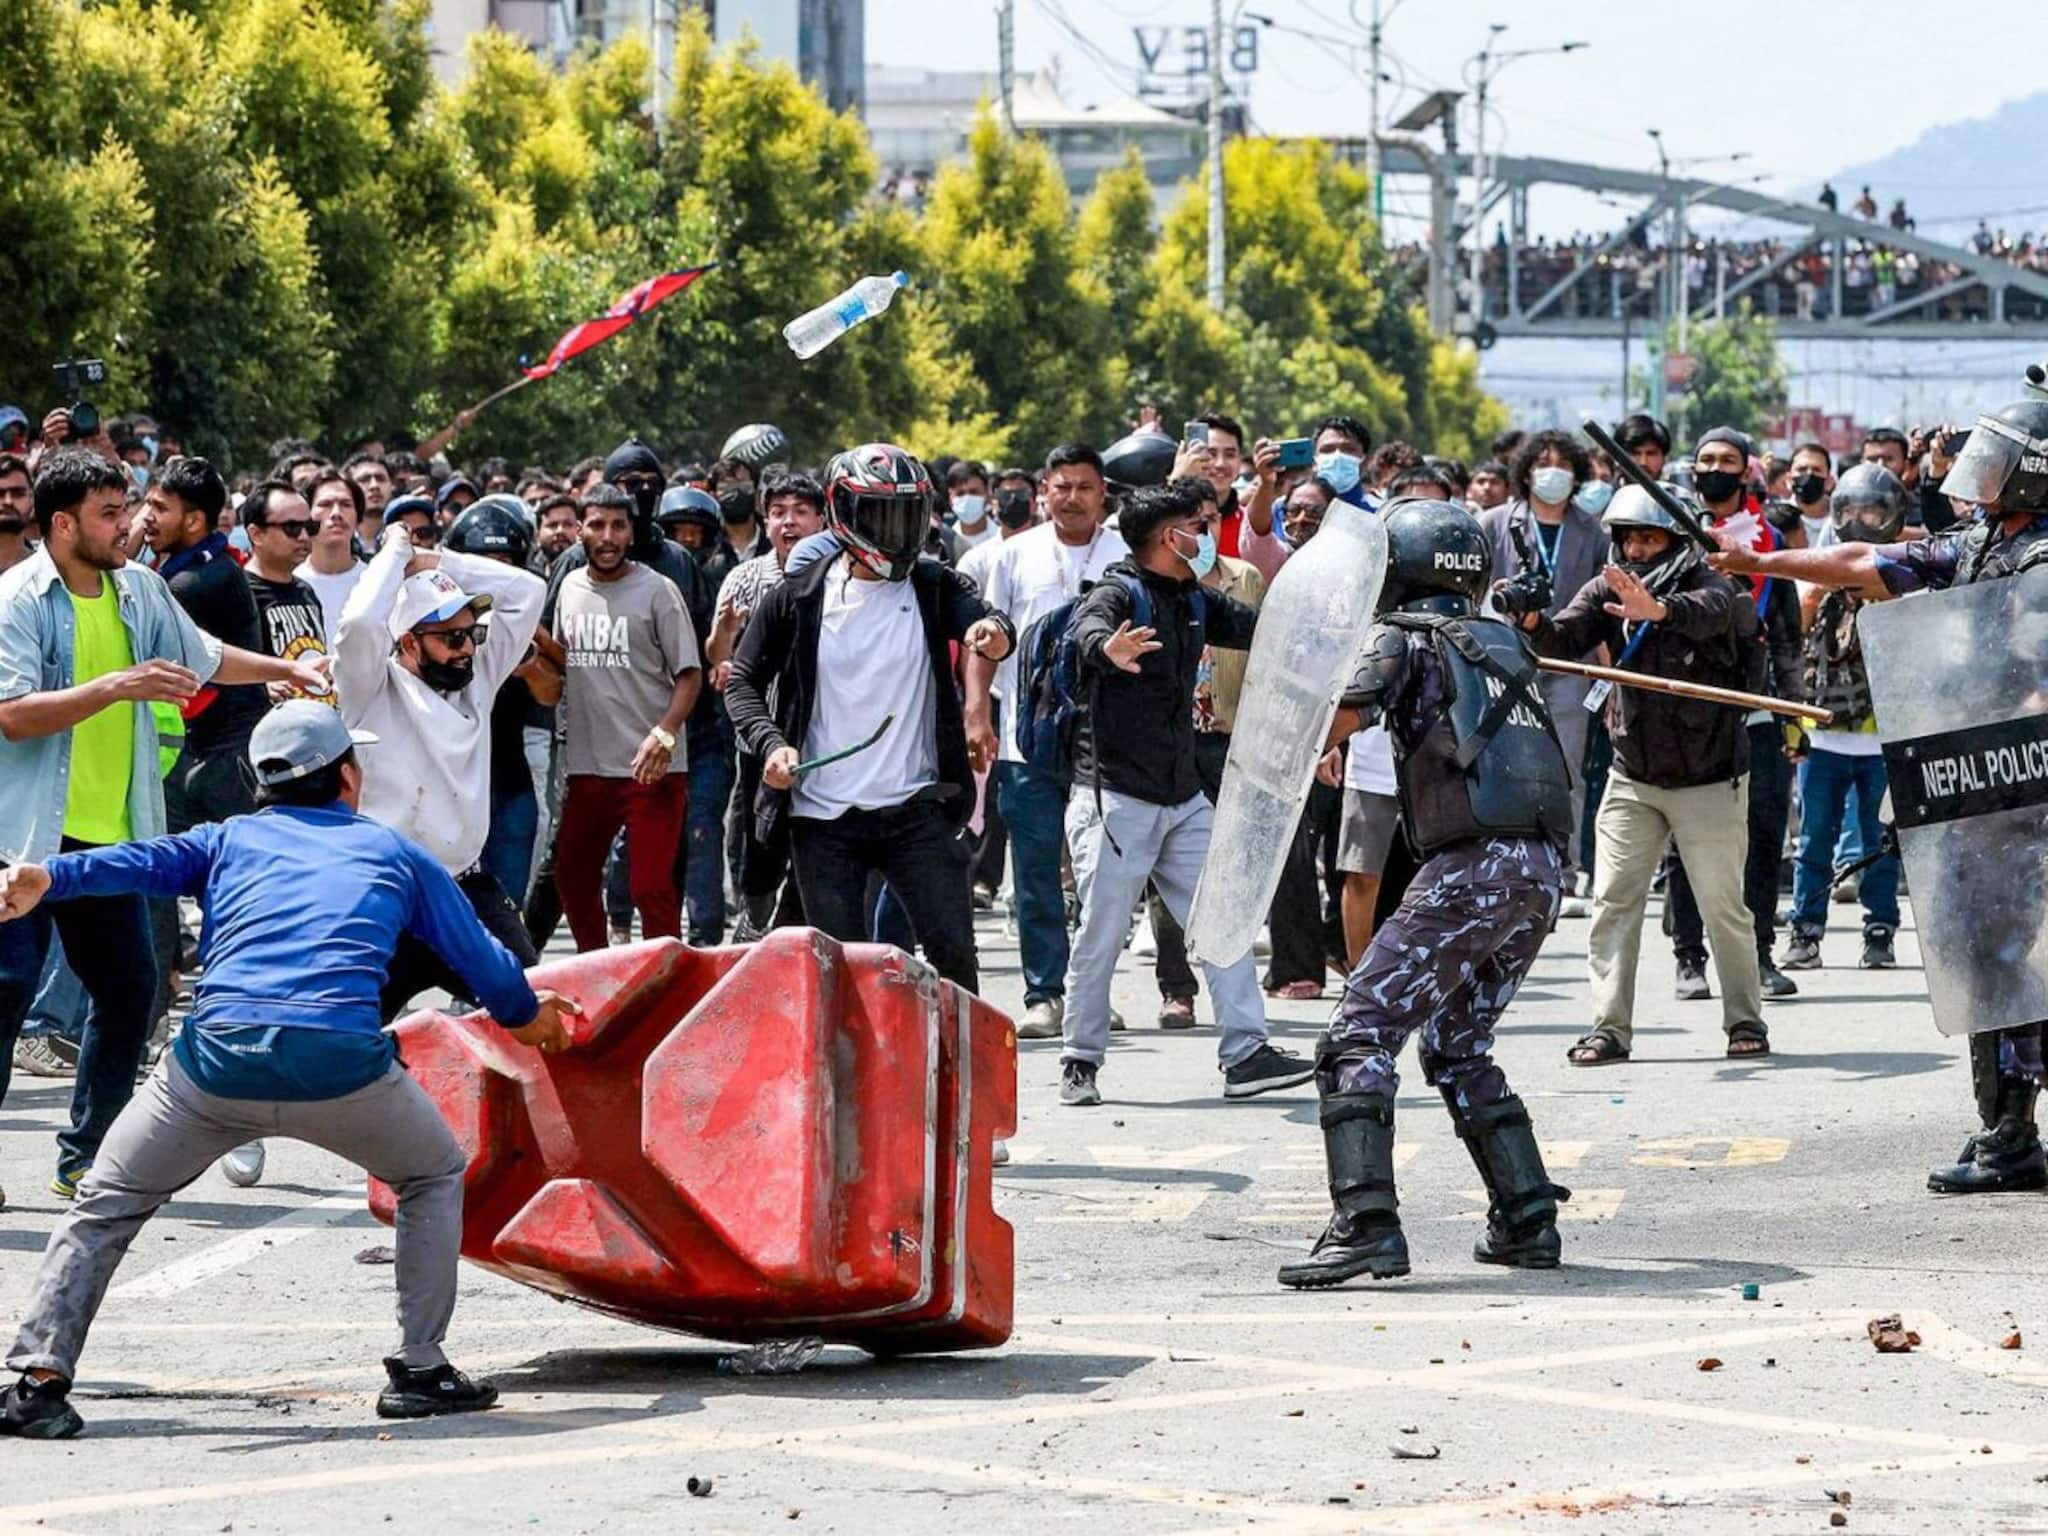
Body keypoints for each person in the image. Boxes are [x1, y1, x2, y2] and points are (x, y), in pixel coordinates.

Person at [0, 701, 579, 1440]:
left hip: (212, 1071)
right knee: (432, 1174)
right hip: (339, 1068)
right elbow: (490, 971)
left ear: (259, 783)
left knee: (106, 1203)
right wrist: (533, 1018)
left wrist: (47, 875)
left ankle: (39, 1382)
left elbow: (135, 861)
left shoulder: (225, 841)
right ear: (348, 776)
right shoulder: (396, 855)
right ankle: (422, 1370)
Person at [1708, 387, 2048, 1193]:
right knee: (1984, 955)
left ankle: (2010, 1133)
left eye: (1998, 464)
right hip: (1981, 784)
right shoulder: (1975, 545)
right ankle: (2008, 1128)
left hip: (2033, 791)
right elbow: (1865, 563)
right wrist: (1758, 562)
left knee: (2018, 959)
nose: (1980, 476)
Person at [0, 450, 327, 1204]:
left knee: (129, 988)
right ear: (62, 523)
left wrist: (287, 672)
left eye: (129, 509)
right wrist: (119, 684)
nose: (130, 526)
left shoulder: (140, 589)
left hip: (109, 839)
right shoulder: (20, 599)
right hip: (22, 839)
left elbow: (206, 658)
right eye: (110, 514)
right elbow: (13, 716)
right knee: (7, 989)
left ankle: (86, 1157)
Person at [1279, 499, 1572, 1287]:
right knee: (1456, 1043)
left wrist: (1275, 736)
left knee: (1355, 1038)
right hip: (1539, 871)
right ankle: (1527, 1217)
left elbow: (1342, 711)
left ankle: (1367, 1224)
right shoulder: (1502, 642)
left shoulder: (1402, 639)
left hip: (1472, 870)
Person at [1056, 480, 1313, 1105]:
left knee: (1223, 921)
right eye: (1197, 526)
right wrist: (1105, 648)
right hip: (1115, 801)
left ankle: (1247, 1052)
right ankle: (1080, 1060)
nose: (1207, 536)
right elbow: (1080, 634)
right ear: (1170, 538)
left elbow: (1261, 627)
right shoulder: (1119, 594)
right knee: (1102, 931)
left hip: (1183, 800)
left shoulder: (1193, 598)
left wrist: (1327, 625)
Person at [725, 444, 1011, 990]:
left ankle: (960, 1073)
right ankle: (852, 1075)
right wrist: (770, 744)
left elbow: (989, 622)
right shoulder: (798, 596)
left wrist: (993, 634)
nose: (897, 531)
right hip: (823, 819)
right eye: (881, 514)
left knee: (953, 953)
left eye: (908, 514)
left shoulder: (933, 585)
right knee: (843, 970)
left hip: (916, 810)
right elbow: (742, 681)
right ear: (843, 514)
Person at [1513, 482, 1767, 1064]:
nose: (1636, 551)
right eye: (1627, 539)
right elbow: (1564, 635)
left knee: (1722, 906)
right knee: (1612, 900)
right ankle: (1609, 1027)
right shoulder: (1607, 584)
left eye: (1649, 538)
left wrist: (1660, 611)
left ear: (1675, 541)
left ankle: (1744, 1019)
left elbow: (1711, 615)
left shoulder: (1714, 586)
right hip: (1634, 776)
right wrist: (1529, 620)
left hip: (1709, 777)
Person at [331, 511, 545, 1019]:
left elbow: (529, 591)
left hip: (465, 891)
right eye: (450, 638)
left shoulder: (480, 678)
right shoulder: (367, 690)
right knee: (344, 1034)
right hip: (387, 897)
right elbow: (360, 623)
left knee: (534, 1009)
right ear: (407, 642)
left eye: (471, 634)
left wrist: (437, 561)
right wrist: (395, 554)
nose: (467, 649)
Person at [967, 445, 1129, 1037]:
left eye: (1085, 487)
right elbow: (985, 640)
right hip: (1027, 739)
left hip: (1109, 735)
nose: (1073, 498)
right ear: (1044, 490)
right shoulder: (1011, 555)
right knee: (1034, 870)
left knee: (1102, 875)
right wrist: (976, 713)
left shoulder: (1125, 552)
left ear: (1102, 493)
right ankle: (1045, 994)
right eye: (1062, 486)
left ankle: (1093, 993)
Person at [1662, 428, 1805, 1004]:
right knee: (1687, 837)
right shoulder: (1669, 530)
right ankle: (1689, 957)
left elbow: (1790, 637)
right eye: (1706, 461)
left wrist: (1794, 715)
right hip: (1683, 708)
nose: (1715, 469)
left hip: (1757, 708)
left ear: (1746, 469)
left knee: (1764, 832)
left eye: (1727, 460)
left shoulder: (1769, 538)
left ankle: (1758, 952)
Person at [551, 487, 703, 950]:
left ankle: (669, 986)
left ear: (632, 531)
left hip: (651, 768)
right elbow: (560, 664)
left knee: (650, 889)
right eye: (597, 525)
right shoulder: (569, 588)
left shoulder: (659, 591)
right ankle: (595, 971)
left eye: (618, 525)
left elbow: (691, 674)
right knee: (573, 879)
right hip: (587, 767)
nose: (608, 536)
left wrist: (666, 732)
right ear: (580, 531)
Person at [1778, 464, 1906, 975]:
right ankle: (1806, 931)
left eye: (1872, 512)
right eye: (1850, 512)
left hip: (1883, 738)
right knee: (1814, 841)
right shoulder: (1820, 575)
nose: (1860, 521)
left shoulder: (1902, 576)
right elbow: (1794, 638)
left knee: (1880, 843)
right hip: (1824, 735)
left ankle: (1880, 930)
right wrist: (1817, 590)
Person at [1478, 430, 1605, 917]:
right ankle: (1507, 865)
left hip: (1571, 663)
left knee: (1566, 769)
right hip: (1503, 660)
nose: (1553, 473)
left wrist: (1606, 676)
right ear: (1526, 470)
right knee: (1505, 765)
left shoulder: (1593, 531)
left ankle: (1565, 870)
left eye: (1563, 464)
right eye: (1543, 463)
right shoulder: (1494, 522)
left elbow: (1603, 610)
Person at [295, 468, 367, 639]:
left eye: (346, 505)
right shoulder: (290, 582)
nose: (336, 513)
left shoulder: (376, 580)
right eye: (325, 505)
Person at [945, 460, 997, 550]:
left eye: (974, 492)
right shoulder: (945, 544)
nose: (967, 498)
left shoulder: (1004, 540)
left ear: (987, 493)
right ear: (950, 497)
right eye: (960, 493)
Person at [0, 452, 31, 575]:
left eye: (18, 493)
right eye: (0, 494)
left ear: (32, 499)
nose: (8, 501)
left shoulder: (52, 568)